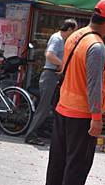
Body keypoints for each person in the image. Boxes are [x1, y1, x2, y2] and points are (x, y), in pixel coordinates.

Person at [45, 0, 105, 185]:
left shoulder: (75, 35)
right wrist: (96, 118)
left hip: (63, 108)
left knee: (58, 163)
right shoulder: (96, 47)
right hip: (81, 116)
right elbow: (94, 85)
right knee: (76, 167)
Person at [25, 18, 78, 146]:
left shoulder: (62, 40)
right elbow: (49, 55)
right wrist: (62, 65)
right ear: (69, 29)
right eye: (74, 31)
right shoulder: (57, 38)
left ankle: (41, 131)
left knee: (52, 107)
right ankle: (30, 135)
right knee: (43, 108)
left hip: (54, 76)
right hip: (49, 75)